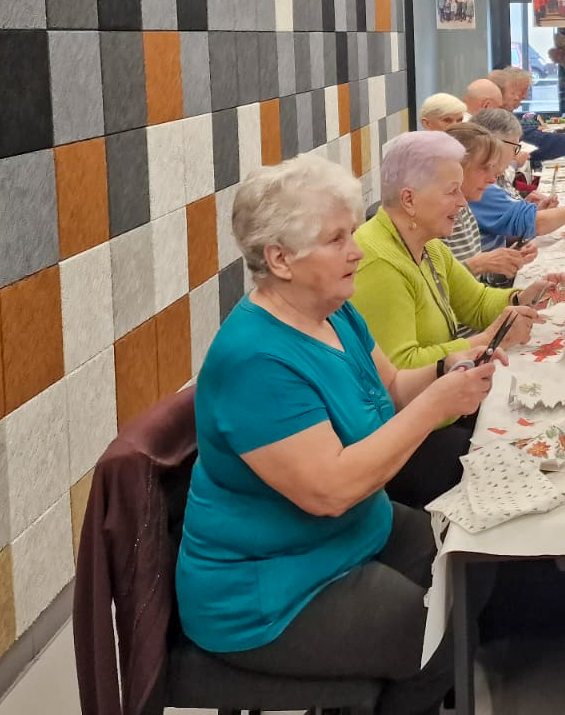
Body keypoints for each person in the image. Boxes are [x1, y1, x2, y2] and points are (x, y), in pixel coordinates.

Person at [176, 154, 500, 715]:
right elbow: (329, 491)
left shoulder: (333, 311)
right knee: (437, 630)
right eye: (335, 239)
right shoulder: (255, 360)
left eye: (352, 233)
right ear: (280, 258)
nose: (357, 251)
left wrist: (448, 368)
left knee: (479, 564)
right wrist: (436, 408)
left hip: (354, 531)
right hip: (272, 587)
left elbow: (392, 387)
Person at [351, 131, 565, 372]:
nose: (463, 202)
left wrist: (523, 297)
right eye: (452, 191)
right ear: (409, 200)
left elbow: (476, 303)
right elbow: (400, 370)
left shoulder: (428, 245)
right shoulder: (378, 264)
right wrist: (488, 340)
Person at [466, 108, 565, 248]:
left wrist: (531, 213)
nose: (515, 155)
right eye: (515, 148)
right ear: (497, 144)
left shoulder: (484, 179)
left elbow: (503, 233)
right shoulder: (480, 185)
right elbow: (536, 224)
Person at [442, 123, 537, 286]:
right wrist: (477, 265)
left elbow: (475, 286)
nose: (492, 179)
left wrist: (506, 262)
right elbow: (433, 291)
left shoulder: (464, 208)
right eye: (484, 168)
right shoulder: (431, 220)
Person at [490, 65, 565, 162]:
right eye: (514, 92)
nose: (521, 97)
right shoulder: (495, 117)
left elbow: (525, 133)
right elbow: (537, 140)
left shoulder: (502, 114)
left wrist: (534, 129)